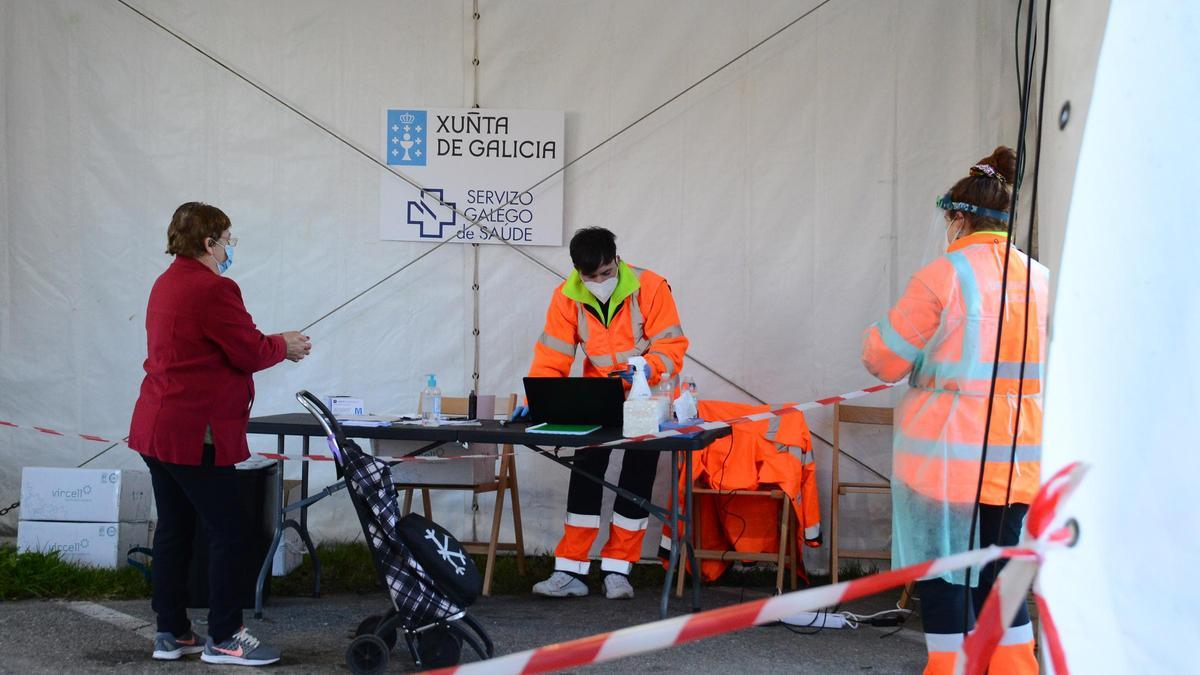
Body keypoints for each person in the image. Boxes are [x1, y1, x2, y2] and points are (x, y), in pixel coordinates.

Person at [861, 147, 1047, 675]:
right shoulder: (1041, 279)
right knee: (1003, 575)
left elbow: (885, 360)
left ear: (958, 217)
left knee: (944, 575)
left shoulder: (943, 275)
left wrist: (874, 339)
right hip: (1016, 463)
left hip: (944, 462)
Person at [128, 202, 311, 666]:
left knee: (175, 529)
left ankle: (171, 630)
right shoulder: (214, 288)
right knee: (232, 531)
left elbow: (217, 345)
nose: (230, 248)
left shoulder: (166, 282)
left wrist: (266, 344)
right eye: (227, 240)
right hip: (195, 433)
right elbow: (246, 350)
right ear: (209, 243)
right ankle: (226, 636)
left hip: (157, 428)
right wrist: (283, 345)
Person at [519, 227, 688, 599]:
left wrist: (645, 367)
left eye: (606, 273)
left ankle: (618, 570)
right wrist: (537, 399)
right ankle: (571, 571)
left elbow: (672, 346)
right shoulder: (567, 297)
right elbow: (552, 356)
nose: (599, 282)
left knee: (637, 475)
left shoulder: (652, 287)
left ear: (617, 259)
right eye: (590, 276)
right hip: (599, 395)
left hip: (649, 395)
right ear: (577, 271)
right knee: (586, 473)